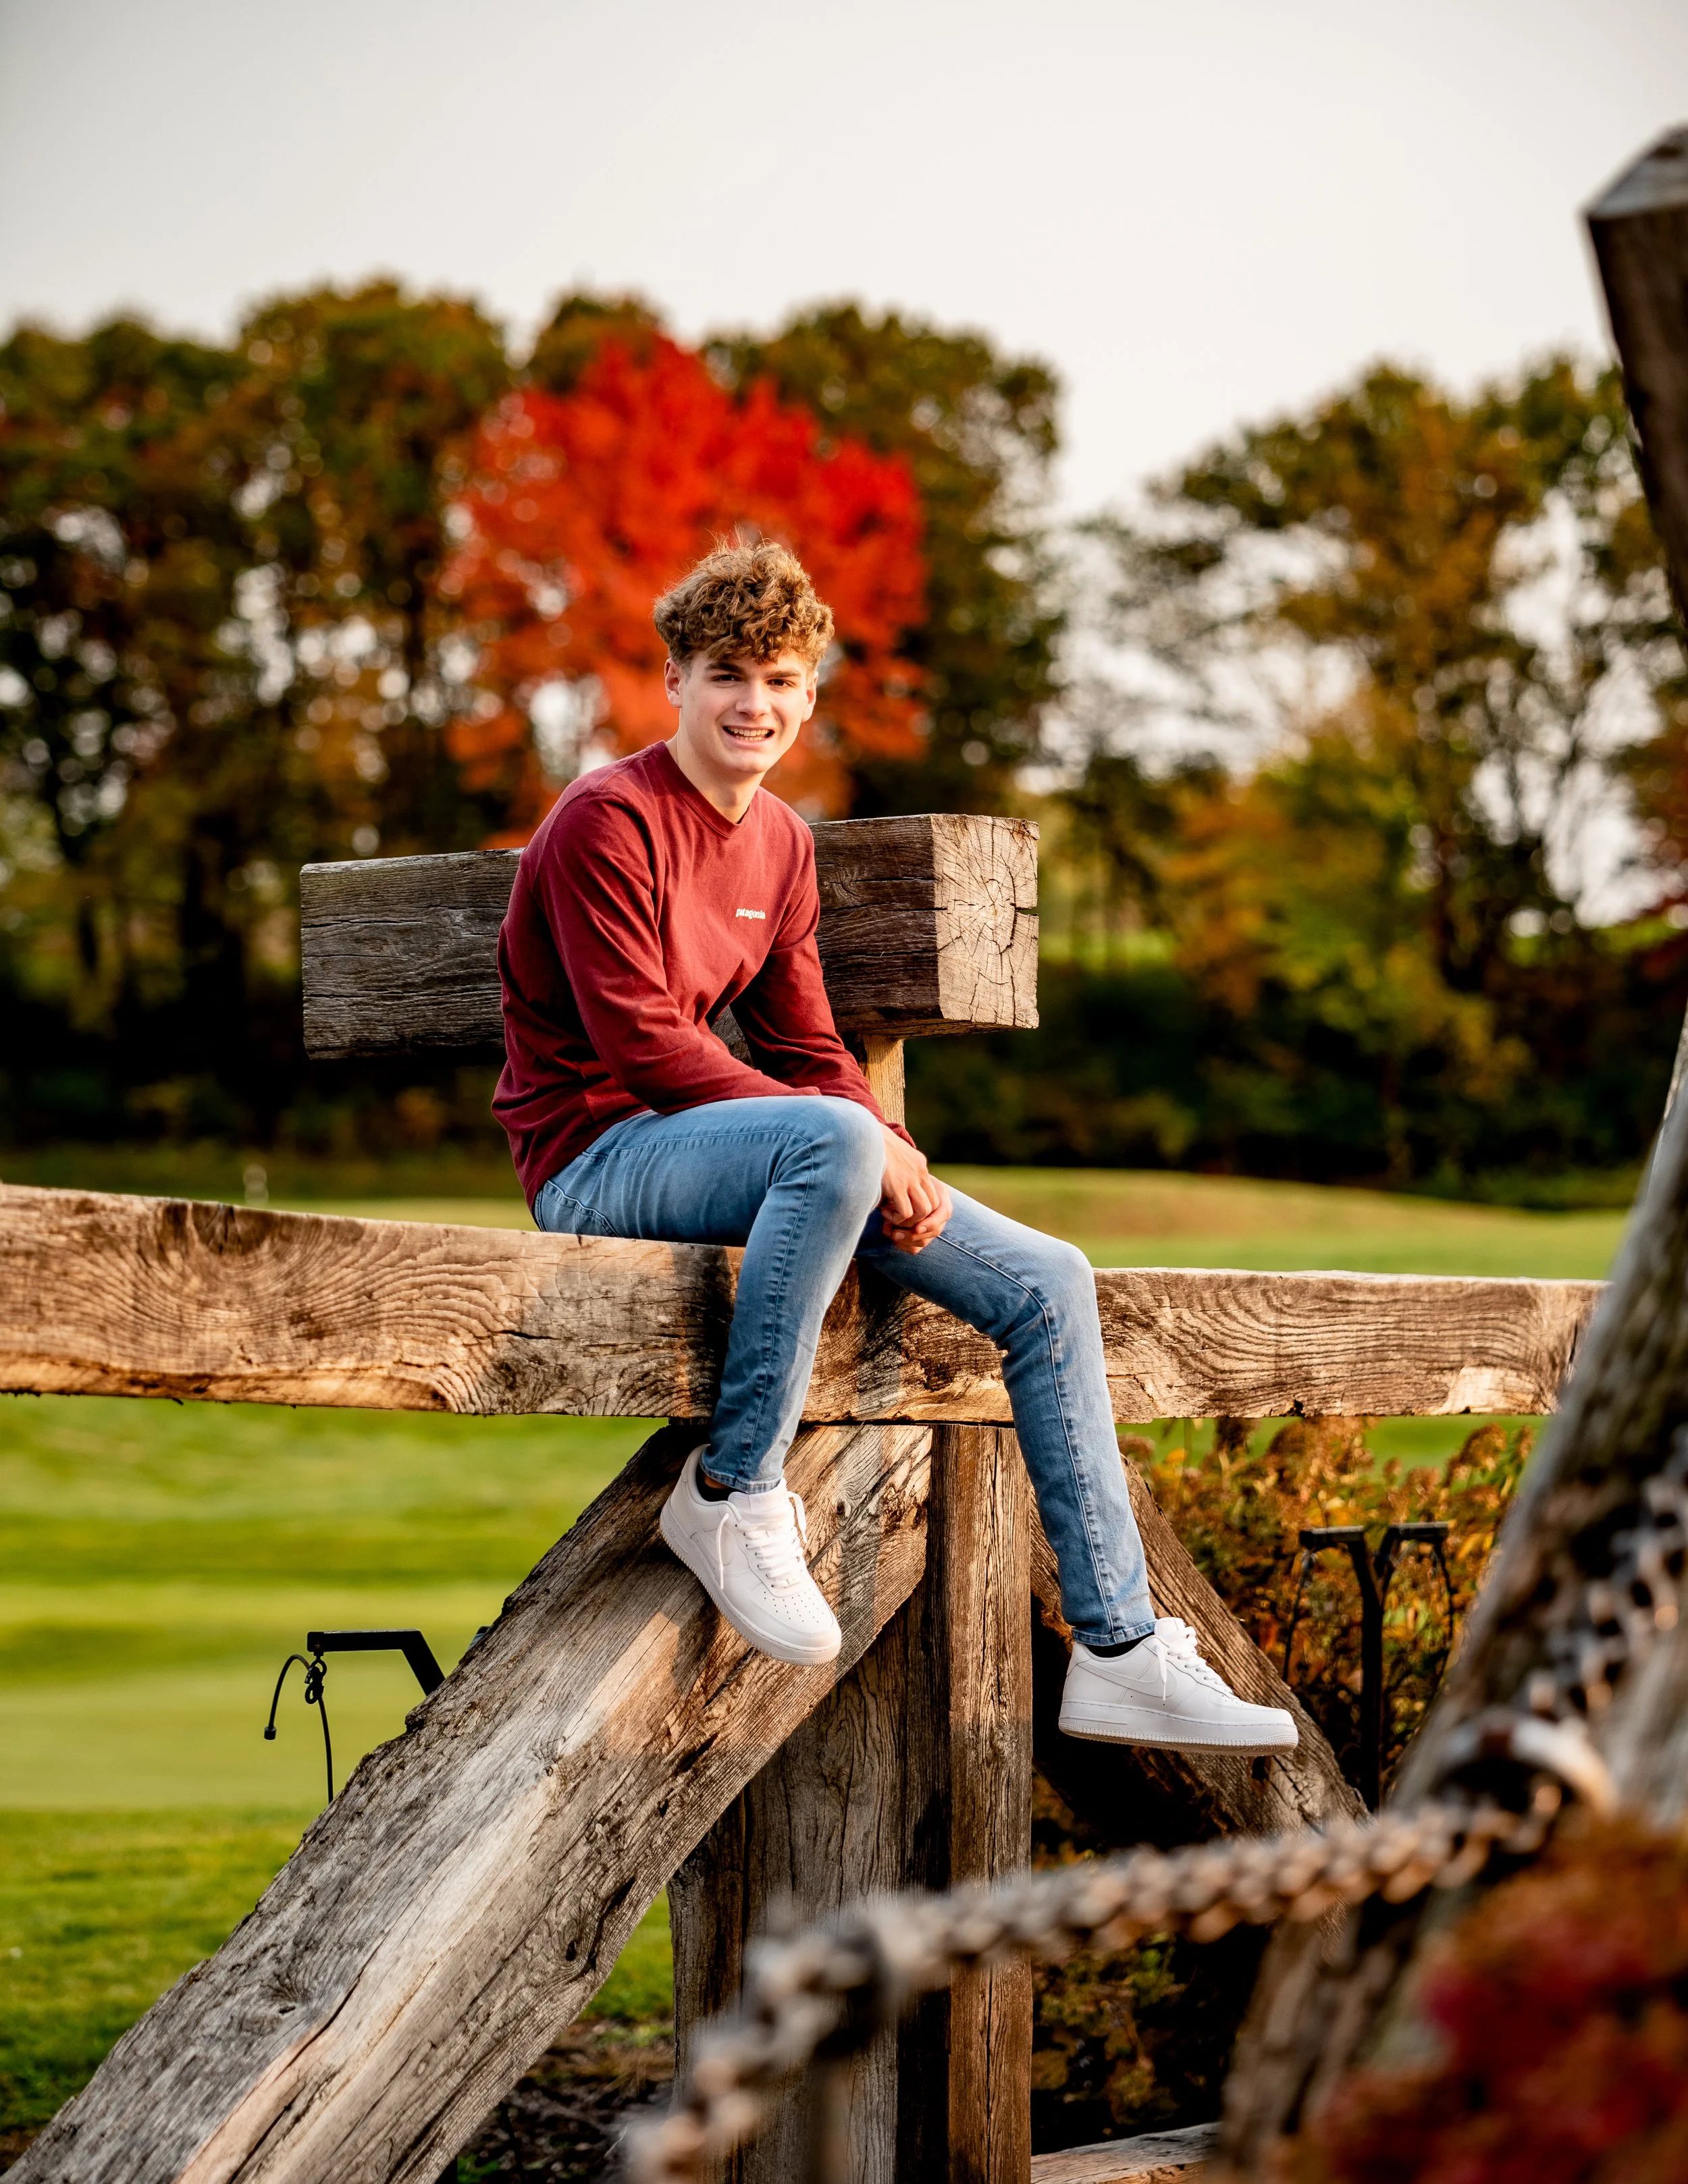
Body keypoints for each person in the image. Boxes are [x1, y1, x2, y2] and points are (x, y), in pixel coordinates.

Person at [494, 541, 1294, 1755]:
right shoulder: (610, 819)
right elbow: (649, 1047)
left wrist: (893, 1152)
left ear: (810, 694)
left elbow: (813, 1046)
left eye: (778, 678)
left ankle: (1124, 1648)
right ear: (674, 680)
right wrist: (857, 1141)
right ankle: (732, 1493)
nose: (752, 703)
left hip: (745, 1152)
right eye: (725, 674)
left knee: (1048, 1282)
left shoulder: (782, 847)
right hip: (598, 1155)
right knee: (832, 1135)